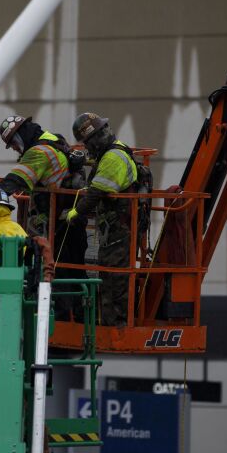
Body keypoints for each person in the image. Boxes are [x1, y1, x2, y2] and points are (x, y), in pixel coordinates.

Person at [0, 115, 88, 321]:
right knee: (73, 272)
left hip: (58, 225)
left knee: (57, 272)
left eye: (12, 143)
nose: (14, 148)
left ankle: (60, 323)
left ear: (21, 135)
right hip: (70, 221)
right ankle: (80, 319)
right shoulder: (56, 141)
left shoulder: (39, 152)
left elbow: (15, 180)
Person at [66, 112, 138, 328]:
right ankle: (110, 320)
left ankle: (116, 324)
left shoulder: (113, 157)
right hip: (114, 228)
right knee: (108, 274)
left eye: (88, 142)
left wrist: (75, 212)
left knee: (113, 278)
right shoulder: (113, 151)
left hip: (119, 230)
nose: (88, 148)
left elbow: (96, 192)